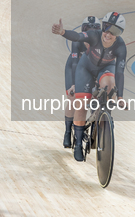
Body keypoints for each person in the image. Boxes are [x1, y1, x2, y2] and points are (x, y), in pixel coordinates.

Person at [52, 12, 127, 162]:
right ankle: (77, 142)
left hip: (104, 69)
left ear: (119, 34)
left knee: (110, 85)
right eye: (106, 28)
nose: (108, 34)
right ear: (102, 27)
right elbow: (78, 38)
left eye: (115, 31)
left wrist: (119, 97)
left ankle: (104, 118)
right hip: (84, 68)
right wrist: (63, 32)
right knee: (80, 103)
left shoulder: (120, 46)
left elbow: (119, 71)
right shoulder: (93, 36)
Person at [62, 16, 100, 149]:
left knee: (96, 96)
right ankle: (67, 132)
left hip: (91, 69)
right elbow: (74, 64)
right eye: (87, 31)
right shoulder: (77, 42)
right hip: (74, 68)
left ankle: (96, 128)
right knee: (73, 98)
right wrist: (74, 84)